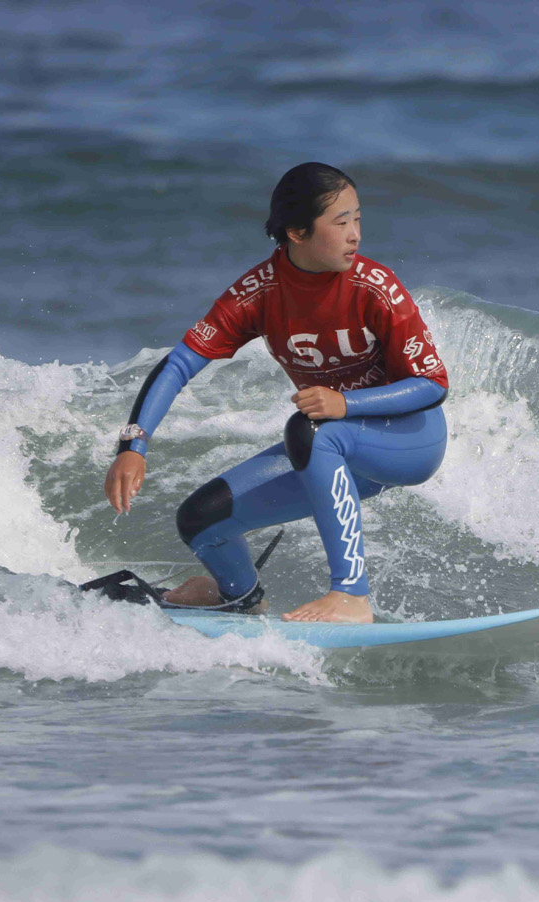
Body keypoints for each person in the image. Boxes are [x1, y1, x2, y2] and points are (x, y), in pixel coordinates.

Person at [102, 162, 449, 624]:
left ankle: (351, 595)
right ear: (297, 232)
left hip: (408, 440)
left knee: (309, 430)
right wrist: (133, 445)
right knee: (201, 521)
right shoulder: (260, 293)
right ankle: (240, 597)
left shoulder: (375, 287)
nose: (355, 235)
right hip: (328, 447)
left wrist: (346, 404)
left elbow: (432, 384)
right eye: (341, 223)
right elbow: (180, 363)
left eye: (357, 219)